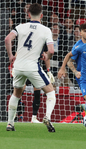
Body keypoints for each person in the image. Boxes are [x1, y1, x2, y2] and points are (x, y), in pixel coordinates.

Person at [5, 3, 56, 132]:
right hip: (32, 66)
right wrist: (46, 56)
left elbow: (7, 39)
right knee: (50, 92)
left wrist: (11, 55)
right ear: (42, 15)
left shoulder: (20, 26)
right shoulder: (45, 30)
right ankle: (47, 117)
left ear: (28, 14)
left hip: (18, 66)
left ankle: (10, 124)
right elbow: (51, 50)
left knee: (16, 93)